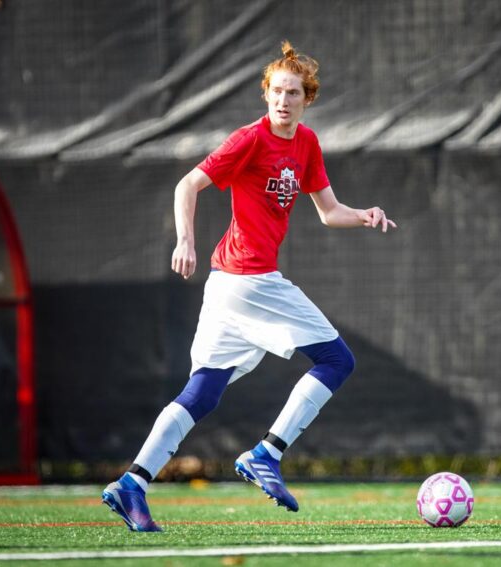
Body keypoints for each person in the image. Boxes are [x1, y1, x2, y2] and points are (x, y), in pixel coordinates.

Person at [102, 41, 396, 532]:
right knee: (338, 360)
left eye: (294, 93)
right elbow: (186, 186)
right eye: (277, 91)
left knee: (202, 393)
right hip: (246, 280)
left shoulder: (306, 144)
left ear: (308, 99)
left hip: (227, 289)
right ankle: (267, 453)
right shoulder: (249, 139)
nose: (283, 100)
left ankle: (133, 482)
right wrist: (185, 241)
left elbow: (328, 212)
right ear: (266, 95)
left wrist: (364, 215)